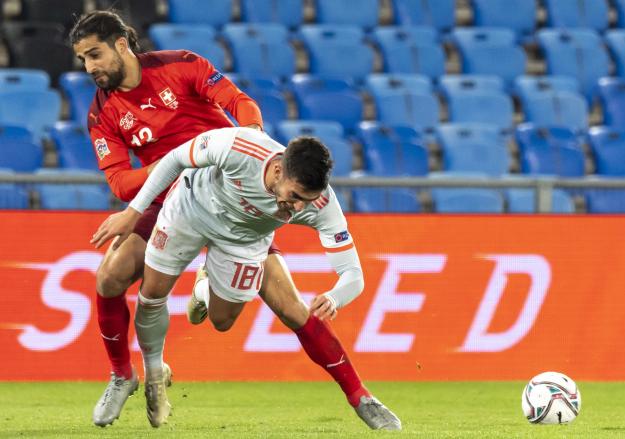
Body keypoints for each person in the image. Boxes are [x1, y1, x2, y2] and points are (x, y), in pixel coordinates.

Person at [71, 10, 388, 430]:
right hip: (171, 198)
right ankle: (123, 376)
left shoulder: (180, 64)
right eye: (83, 60)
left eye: (95, 55)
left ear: (123, 45)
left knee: (285, 309)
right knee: (110, 276)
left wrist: (248, 139)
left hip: (239, 192)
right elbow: (121, 182)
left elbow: (239, 102)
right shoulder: (102, 114)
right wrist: (180, 160)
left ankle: (360, 394)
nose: (89, 67)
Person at [91, 127, 402, 431]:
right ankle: (154, 374)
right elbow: (175, 159)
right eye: (295, 196)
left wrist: (335, 296)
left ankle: (203, 288)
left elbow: (353, 275)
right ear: (278, 170)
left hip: (243, 240)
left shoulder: (320, 205)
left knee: (222, 321)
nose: (298, 208)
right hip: (190, 208)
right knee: (153, 293)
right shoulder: (240, 147)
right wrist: (133, 212)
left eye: (307, 200)